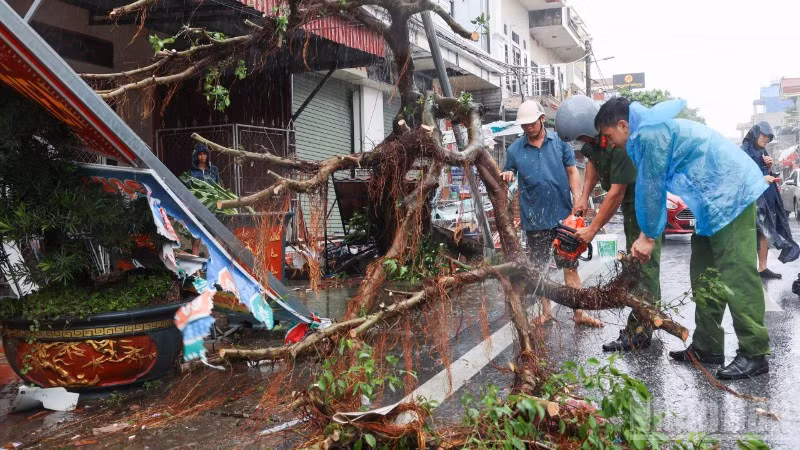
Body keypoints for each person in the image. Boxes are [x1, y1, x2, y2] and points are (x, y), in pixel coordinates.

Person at [595, 97, 770, 380]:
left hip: (731, 195)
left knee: (737, 275)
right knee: (705, 274)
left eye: (609, 136)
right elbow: (650, 188)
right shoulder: (646, 135)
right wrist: (646, 233)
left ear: (623, 125)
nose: (611, 143)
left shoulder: (650, 135)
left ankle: (754, 352)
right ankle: (708, 345)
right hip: (710, 204)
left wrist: (649, 237)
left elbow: (652, 188)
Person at [555, 95, 661, 351]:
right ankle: (642, 322)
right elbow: (592, 161)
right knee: (633, 264)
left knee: (643, 266)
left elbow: (616, 193)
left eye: (584, 138)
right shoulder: (598, 140)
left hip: (642, 203)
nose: (584, 144)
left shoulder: (620, 143)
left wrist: (591, 231)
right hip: (630, 206)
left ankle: (641, 330)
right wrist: (583, 197)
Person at [501, 100, 603, 328]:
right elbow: (508, 170)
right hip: (534, 220)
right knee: (539, 269)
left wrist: (579, 198)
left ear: (542, 119)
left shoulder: (560, 142)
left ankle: (580, 312)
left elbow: (572, 171)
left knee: (570, 265)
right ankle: (546, 312)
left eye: (531, 123)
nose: (528, 128)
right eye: (524, 125)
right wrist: (507, 173)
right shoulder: (515, 150)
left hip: (562, 218)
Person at [741, 122, 800, 278]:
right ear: (755, 133)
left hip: (767, 197)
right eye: (764, 135)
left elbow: (766, 172)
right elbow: (741, 176)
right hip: (752, 199)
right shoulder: (744, 151)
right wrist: (761, 178)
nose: (766, 139)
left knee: (765, 231)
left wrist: (769, 167)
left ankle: (762, 268)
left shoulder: (762, 150)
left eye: (768, 137)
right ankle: (748, 269)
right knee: (751, 231)